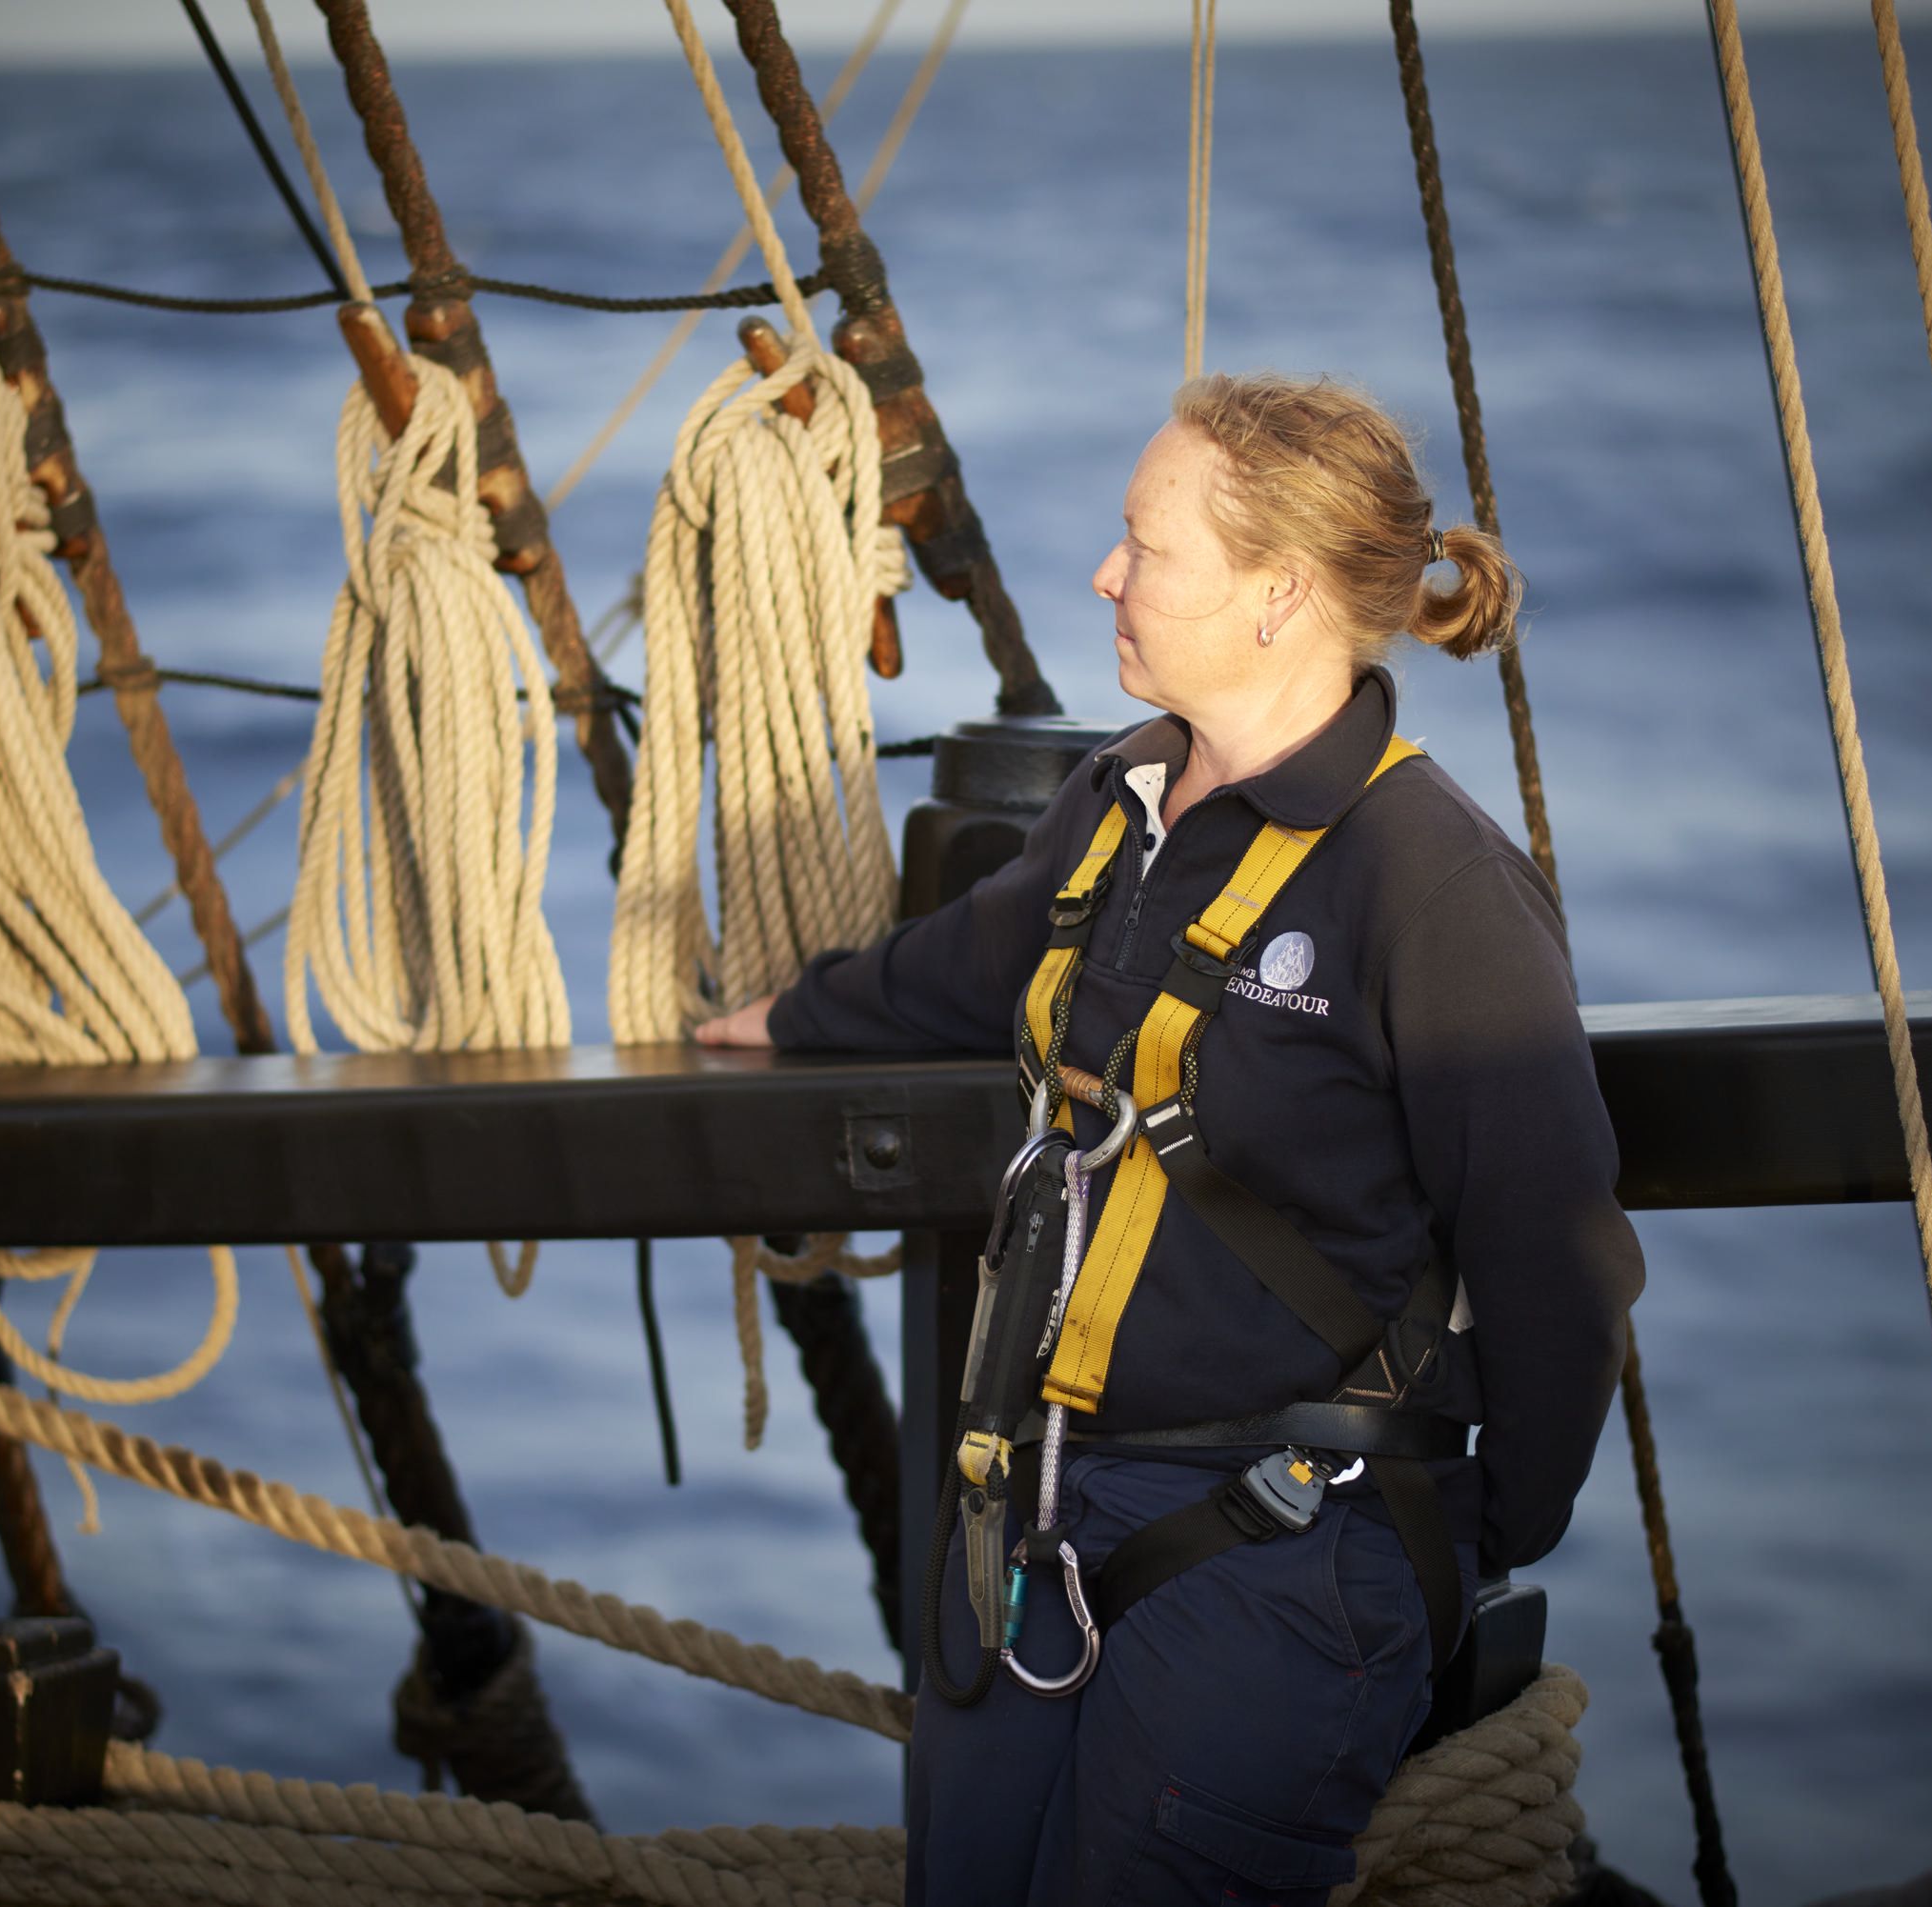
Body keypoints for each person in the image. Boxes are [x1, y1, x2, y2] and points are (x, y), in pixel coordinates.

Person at [697, 372, 1643, 1907]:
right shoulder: (1122, 793)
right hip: (1040, 1502)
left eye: (1146, 544)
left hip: (1279, 1553)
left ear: (1276, 595)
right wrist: (796, 1015)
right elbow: (991, 948)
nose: (1105, 573)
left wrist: (1463, 1542)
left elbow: (1560, 1266)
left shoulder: (1433, 883)